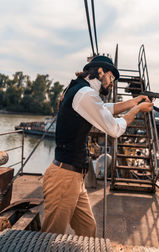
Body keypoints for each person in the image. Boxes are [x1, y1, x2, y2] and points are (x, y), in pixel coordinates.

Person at [41, 55, 153, 237]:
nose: (112, 83)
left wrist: (134, 101)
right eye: (111, 78)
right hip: (65, 178)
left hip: (75, 177)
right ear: (100, 72)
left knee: (88, 230)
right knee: (49, 237)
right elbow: (115, 129)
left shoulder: (80, 89)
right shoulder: (86, 94)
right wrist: (138, 109)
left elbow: (104, 109)